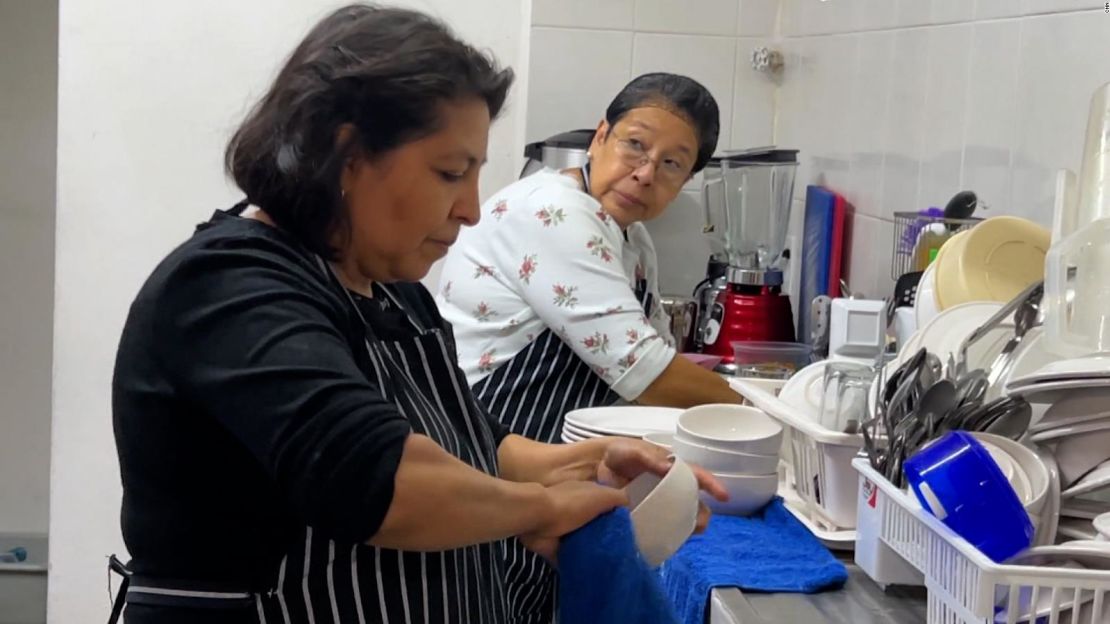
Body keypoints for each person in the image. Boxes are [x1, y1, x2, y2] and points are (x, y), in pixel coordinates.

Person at [110, 6, 725, 624]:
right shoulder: (227, 288)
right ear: (345, 153)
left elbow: (479, 446)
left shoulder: (393, 292)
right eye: (451, 173)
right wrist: (543, 510)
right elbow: (377, 481)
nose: (472, 210)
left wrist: (586, 466)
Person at [435, 73, 745, 622]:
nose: (645, 173)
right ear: (600, 137)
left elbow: (651, 359)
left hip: (554, 469)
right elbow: (646, 372)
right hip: (488, 453)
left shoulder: (629, 235)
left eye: (672, 164)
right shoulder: (553, 212)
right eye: (635, 144)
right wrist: (760, 419)